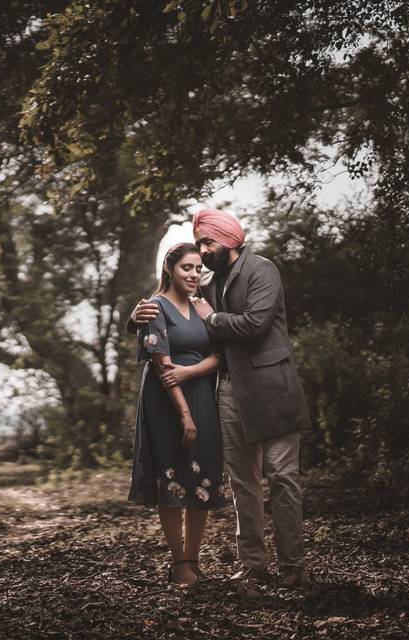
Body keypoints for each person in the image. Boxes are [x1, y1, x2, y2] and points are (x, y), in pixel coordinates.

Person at [129, 209, 311, 588]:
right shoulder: (207, 281)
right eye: (199, 244)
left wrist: (212, 319)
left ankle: (292, 564)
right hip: (228, 389)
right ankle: (253, 563)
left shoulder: (263, 270)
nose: (203, 251)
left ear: (228, 240)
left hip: (272, 389)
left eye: (208, 243)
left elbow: (254, 325)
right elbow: (171, 306)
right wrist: (136, 318)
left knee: (281, 477)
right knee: (243, 481)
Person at [128, 242, 226, 587]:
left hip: (200, 392)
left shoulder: (202, 307)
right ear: (170, 269)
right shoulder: (154, 307)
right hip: (166, 401)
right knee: (172, 480)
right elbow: (162, 365)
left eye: (198, 269)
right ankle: (179, 561)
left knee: (200, 477)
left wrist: (192, 373)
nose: (194, 274)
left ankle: (194, 559)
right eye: (187, 268)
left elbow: (219, 356)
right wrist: (184, 414)